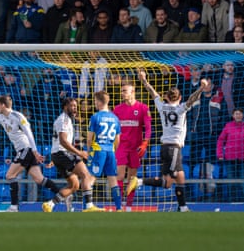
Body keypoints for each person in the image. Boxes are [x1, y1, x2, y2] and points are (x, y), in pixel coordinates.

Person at [127, 70, 207, 212]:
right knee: (167, 183)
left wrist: (144, 80)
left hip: (165, 147)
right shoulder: (181, 108)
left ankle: (182, 207)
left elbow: (153, 93)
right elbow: (192, 99)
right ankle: (139, 181)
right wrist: (201, 88)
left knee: (180, 176)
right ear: (180, 97)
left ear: (166, 97)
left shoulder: (162, 107)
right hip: (173, 148)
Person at [42, 97, 101, 212]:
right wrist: (80, 153)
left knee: (74, 185)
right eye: (72, 106)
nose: (75, 108)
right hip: (62, 153)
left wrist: (55, 159)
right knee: (86, 175)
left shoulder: (67, 120)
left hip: (58, 155)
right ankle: (89, 206)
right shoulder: (64, 120)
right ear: (65, 107)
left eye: (75, 106)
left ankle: (50, 204)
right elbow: (63, 141)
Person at [113, 83, 151, 212]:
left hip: (135, 147)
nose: (122, 93)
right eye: (122, 91)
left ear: (132, 92)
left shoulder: (143, 107)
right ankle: (119, 206)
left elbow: (148, 127)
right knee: (119, 176)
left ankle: (129, 206)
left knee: (132, 178)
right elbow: (114, 129)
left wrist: (145, 142)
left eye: (125, 91)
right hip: (121, 146)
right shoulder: (117, 109)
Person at [86, 91, 122, 212]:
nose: (94, 103)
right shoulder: (115, 118)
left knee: (90, 178)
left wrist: (89, 151)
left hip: (98, 150)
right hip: (110, 152)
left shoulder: (95, 117)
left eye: (95, 101)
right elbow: (118, 140)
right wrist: (113, 150)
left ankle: (89, 205)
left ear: (100, 102)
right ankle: (119, 208)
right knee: (113, 180)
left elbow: (89, 138)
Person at [216, 108, 244, 201]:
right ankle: (232, 202)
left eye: (240, 113)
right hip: (230, 159)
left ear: (242, 115)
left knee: (242, 182)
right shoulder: (228, 126)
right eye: (236, 114)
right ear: (233, 116)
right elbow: (220, 140)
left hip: (242, 159)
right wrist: (220, 154)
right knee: (231, 182)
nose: (238, 115)